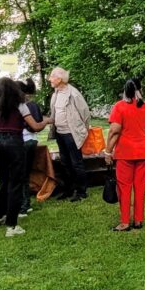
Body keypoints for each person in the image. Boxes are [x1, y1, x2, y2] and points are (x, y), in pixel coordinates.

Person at [0, 77, 50, 237]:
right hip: (15, 143)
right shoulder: (21, 106)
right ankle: (12, 225)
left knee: (3, 181)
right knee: (16, 183)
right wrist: (47, 121)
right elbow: (35, 126)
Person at [105, 78, 145, 231]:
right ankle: (139, 220)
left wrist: (108, 151)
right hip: (143, 152)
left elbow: (114, 131)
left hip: (125, 154)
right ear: (140, 89)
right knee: (140, 187)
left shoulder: (119, 107)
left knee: (124, 188)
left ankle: (125, 222)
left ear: (124, 90)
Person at [48, 67, 91, 201]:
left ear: (59, 79)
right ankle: (69, 189)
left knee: (76, 163)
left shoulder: (73, 93)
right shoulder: (55, 93)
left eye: (52, 77)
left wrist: (83, 130)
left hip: (71, 134)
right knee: (65, 162)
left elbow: (85, 113)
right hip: (60, 133)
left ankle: (81, 192)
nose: (49, 79)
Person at [19, 78, 42, 216]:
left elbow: (34, 125)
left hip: (24, 140)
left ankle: (23, 204)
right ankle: (25, 203)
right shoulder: (32, 105)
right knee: (25, 174)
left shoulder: (22, 106)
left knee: (21, 174)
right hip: (31, 140)